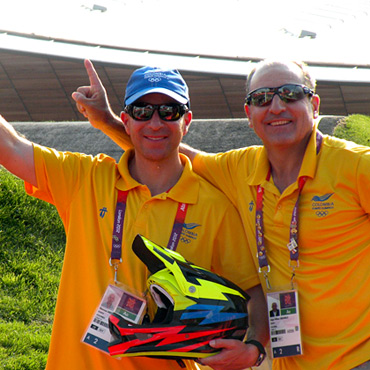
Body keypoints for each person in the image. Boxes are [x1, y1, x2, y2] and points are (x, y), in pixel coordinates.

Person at [73, 58, 370, 370]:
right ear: (249, 114)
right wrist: (107, 121)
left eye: (291, 94)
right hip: (292, 363)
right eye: (261, 98)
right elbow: (164, 148)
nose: (277, 106)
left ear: (315, 104)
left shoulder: (356, 166)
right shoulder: (239, 169)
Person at [0, 62, 269, 370]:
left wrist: (254, 349)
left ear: (187, 121)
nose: (155, 123)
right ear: (125, 121)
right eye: (142, 111)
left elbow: (253, 292)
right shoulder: (85, 179)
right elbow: (9, 147)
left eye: (170, 111)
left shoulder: (215, 206)